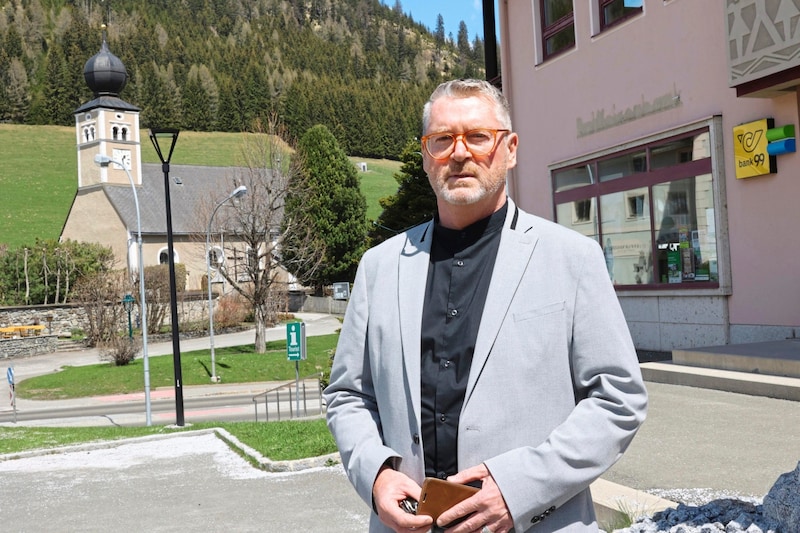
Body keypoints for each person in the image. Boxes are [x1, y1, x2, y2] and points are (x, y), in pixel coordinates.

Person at [324, 79, 648, 533]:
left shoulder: (571, 258)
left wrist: (517, 490)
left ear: (510, 148)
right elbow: (348, 395)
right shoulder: (379, 267)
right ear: (424, 156)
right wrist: (376, 473)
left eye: (477, 136)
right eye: (442, 140)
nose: (459, 153)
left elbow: (618, 399)